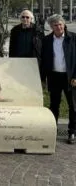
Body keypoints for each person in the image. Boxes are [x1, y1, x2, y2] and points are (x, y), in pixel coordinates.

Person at [41, 14, 76, 144]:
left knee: (73, 105)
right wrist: (43, 78)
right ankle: (53, 130)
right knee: (54, 105)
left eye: (60, 24)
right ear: (51, 27)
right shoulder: (46, 40)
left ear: (64, 24)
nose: (58, 27)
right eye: (55, 25)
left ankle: (72, 131)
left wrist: (75, 76)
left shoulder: (72, 38)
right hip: (54, 76)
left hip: (70, 77)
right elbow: (44, 60)